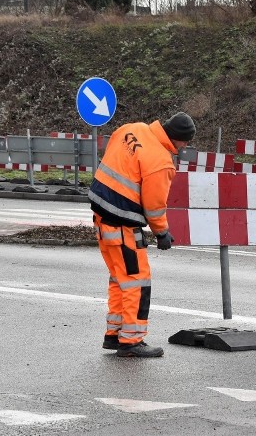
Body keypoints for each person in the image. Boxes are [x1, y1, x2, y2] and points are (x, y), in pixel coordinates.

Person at [89, 111, 196, 358]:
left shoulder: (133, 128)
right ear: (179, 139)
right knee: (137, 282)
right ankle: (131, 340)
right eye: (186, 142)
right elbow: (155, 205)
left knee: (120, 280)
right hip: (122, 223)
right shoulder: (160, 160)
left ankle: (114, 334)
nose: (184, 147)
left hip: (101, 217)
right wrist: (162, 232)